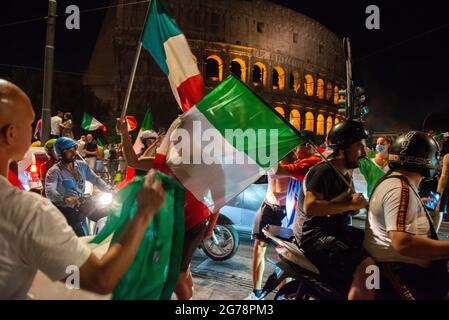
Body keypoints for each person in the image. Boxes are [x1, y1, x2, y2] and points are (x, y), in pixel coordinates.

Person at [0, 79, 166, 299]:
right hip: (70, 210)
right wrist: (144, 213)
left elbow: (96, 179)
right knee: (77, 250)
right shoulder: (30, 208)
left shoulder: (80, 166)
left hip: (85, 203)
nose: (34, 132)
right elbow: (100, 279)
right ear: (11, 134)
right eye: (30, 124)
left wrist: (113, 189)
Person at [117, 117, 218, 300]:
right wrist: (125, 133)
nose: (177, 142)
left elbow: (218, 198)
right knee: (179, 270)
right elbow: (132, 161)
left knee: (176, 274)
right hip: (170, 224)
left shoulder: (203, 164)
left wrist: (210, 227)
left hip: (193, 224)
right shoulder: (163, 163)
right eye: (176, 138)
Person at [294, 120, 375, 300]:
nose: (363, 153)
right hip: (314, 236)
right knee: (368, 267)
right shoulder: (324, 171)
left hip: (337, 230)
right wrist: (350, 205)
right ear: (343, 148)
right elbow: (311, 207)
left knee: (375, 245)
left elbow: (346, 206)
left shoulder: (346, 172)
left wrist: (360, 205)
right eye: (359, 147)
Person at [364, 131, 449, 299]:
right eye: (435, 156)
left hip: (398, 270)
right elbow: (403, 243)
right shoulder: (399, 188)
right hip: (401, 276)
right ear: (425, 160)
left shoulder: (397, 182)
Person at [246, 156, 292, 300]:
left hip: (288, 209)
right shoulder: (273, 154)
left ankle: (283, 295)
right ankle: (256, 294)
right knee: (258, 247)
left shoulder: (298, 159)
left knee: (286, 255)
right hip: (268, 206)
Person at [45, 137, 112, 236]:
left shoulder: (82, 166)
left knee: (109, 216)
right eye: (69, 150)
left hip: (82, 202)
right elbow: (50, 191)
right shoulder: (54, 171)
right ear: (61, 153)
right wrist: (65, 199)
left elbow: (96, 179)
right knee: (80, 237)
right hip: (66, 209)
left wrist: (110, 189)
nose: (74, 153)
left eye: (74, 149)